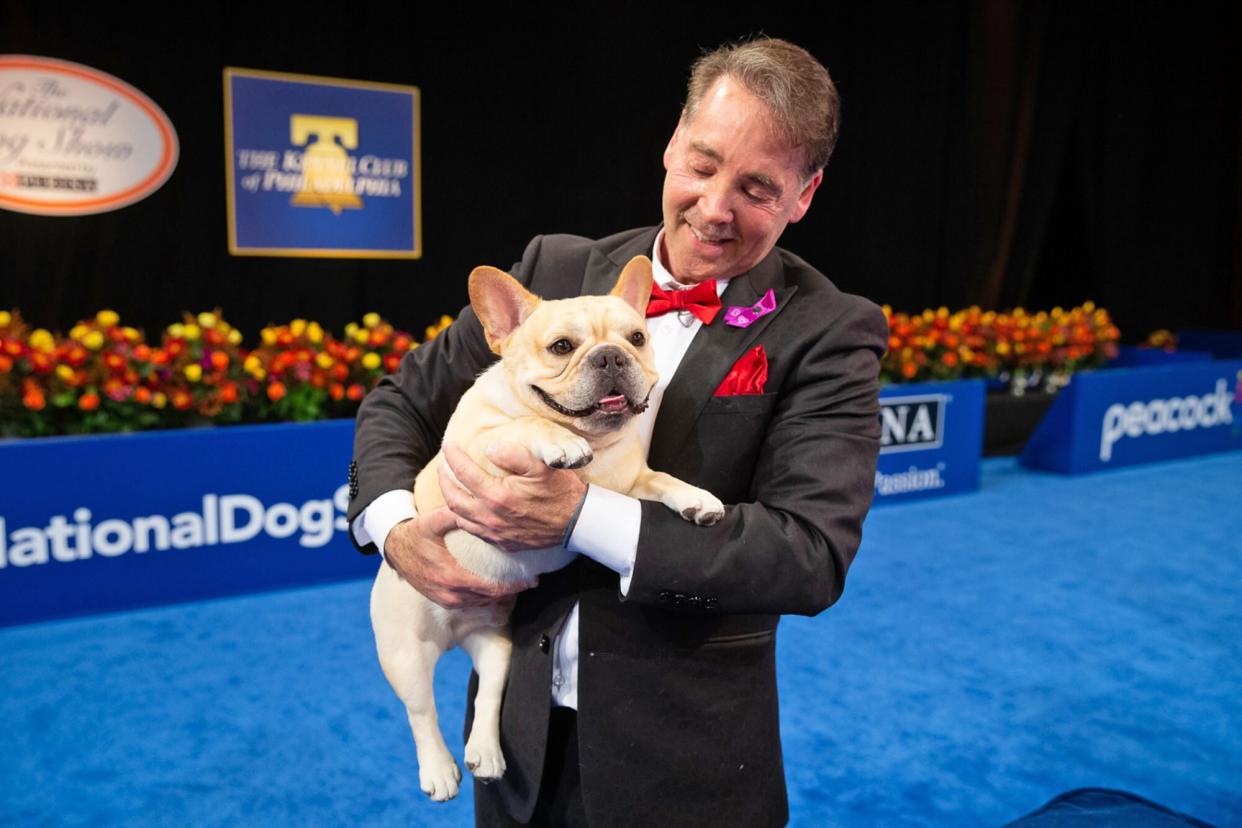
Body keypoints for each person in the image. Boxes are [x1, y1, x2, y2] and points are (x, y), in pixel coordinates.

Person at [348, 36, 888, 827]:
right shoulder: (554, 270)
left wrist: (582, 517)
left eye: (757, 187)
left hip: (682, 754)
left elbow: (807, 555)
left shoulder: (829, 329)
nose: (714, 206)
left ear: (804, 195)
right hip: (516, 737)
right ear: (672, 141)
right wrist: (397, 529)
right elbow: (400, 402)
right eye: (702, 166)